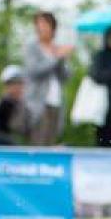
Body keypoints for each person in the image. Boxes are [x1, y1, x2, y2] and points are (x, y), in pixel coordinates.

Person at [23, 10, 72, 146]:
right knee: (38, 142)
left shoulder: (57, 47)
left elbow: (66, 76)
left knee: (52, 141)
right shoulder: (32, 47)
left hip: (56, 101)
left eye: (45, 24)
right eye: (39, 24)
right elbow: (34, 71)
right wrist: (56, 58)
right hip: (38, 103)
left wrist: (62, 58)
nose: (41, 27)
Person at [0, 66, 29, 145]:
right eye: (17, 84)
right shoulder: (4, 103)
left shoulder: (16, 103)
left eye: (20, 84)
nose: (20, 88)